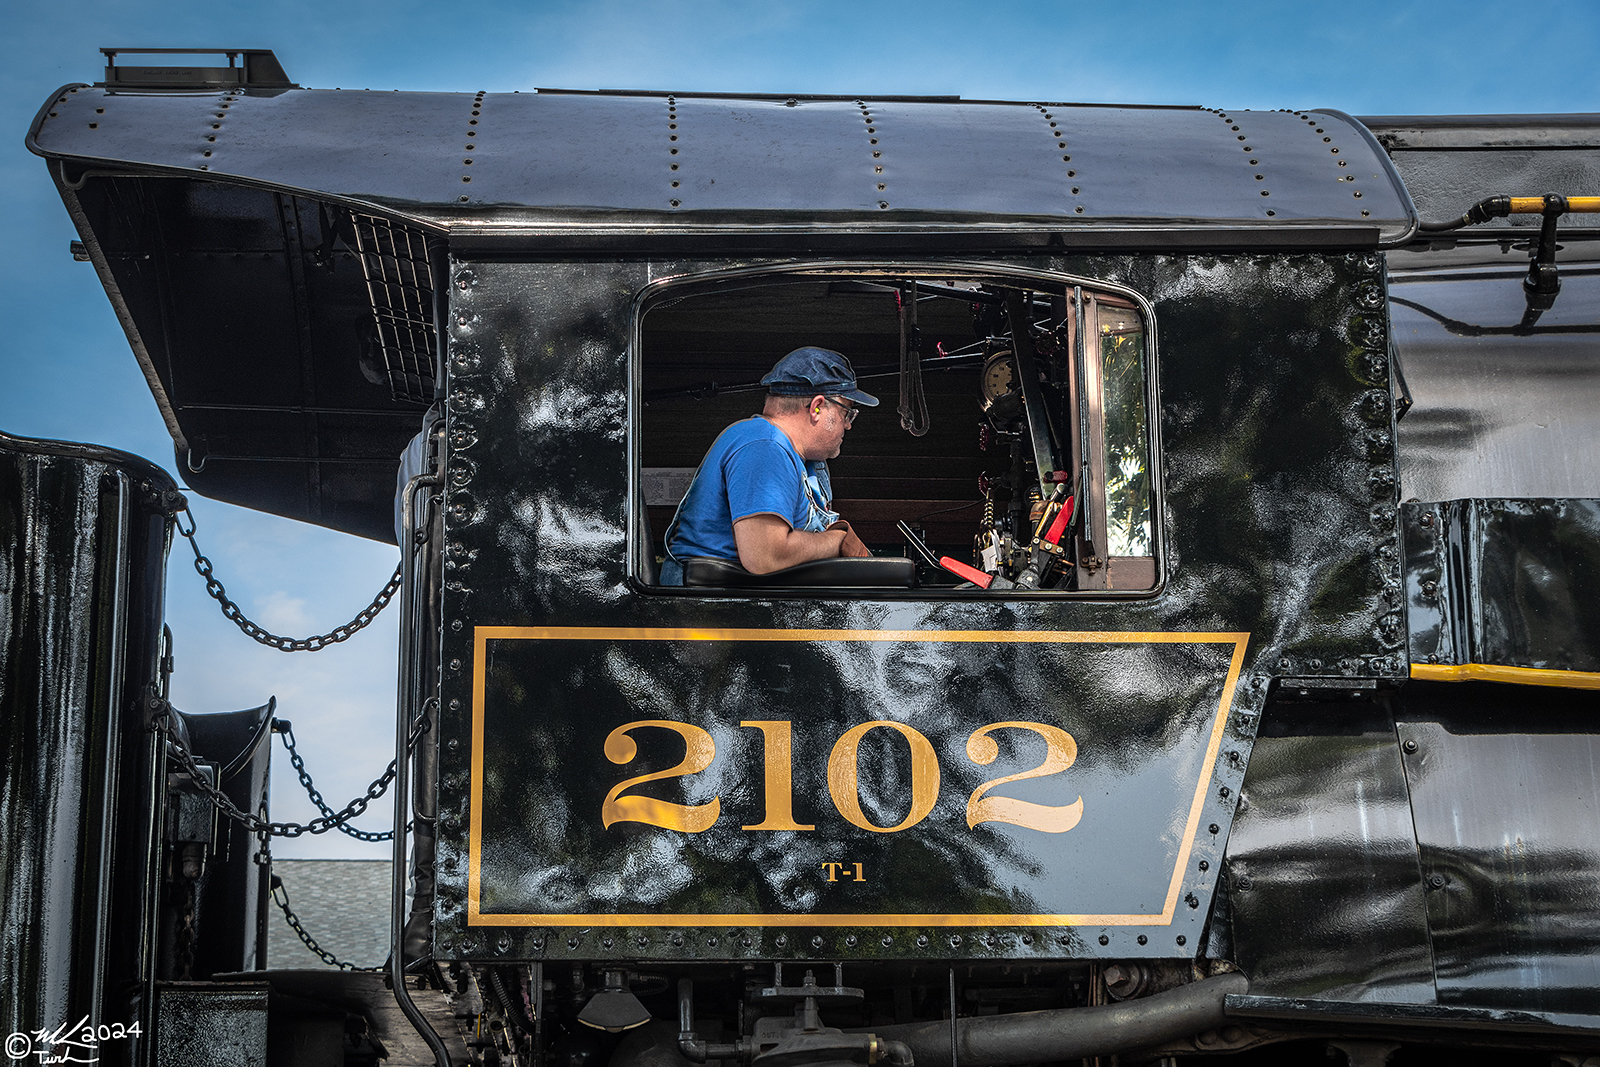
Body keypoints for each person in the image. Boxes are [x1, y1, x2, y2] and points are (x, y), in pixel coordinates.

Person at [660, 347, 877, 584]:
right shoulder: (765, 446)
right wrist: (836, 541)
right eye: (847, 413)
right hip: (709, 607)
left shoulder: (798, 458)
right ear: (817, 408)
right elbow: (765, 557)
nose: (848, 425)